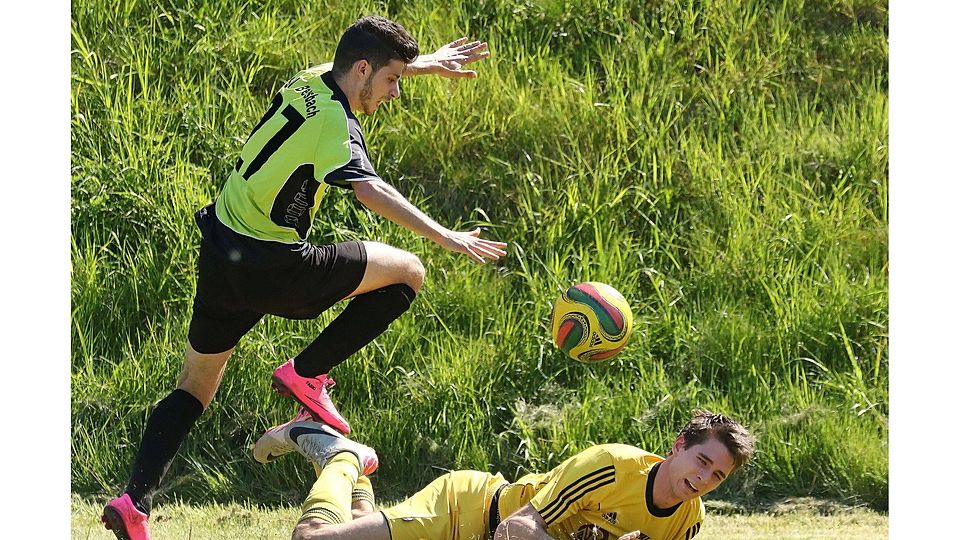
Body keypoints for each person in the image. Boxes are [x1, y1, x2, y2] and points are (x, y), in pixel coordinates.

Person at [101, 15, 508, 539]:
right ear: (362, 69)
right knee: (409, 272)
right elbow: (369, 191)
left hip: (221, 250)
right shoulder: (335, 125)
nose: (395, 93)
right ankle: (308, 373)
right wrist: (451, 237)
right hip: (274, 266)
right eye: (392, 81)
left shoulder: (311, 79)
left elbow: (363, 74)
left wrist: (427, 65)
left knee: (195, 387)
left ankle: (135, 501)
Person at [256, 408, 756, 540]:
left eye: (717, 477)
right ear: (678, 448)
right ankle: (336, 454)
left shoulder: (687, 522)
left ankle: (360, 481)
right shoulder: (610, 466)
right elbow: (514, 530)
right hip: (468, 512)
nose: (704, 479)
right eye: (703, 462)